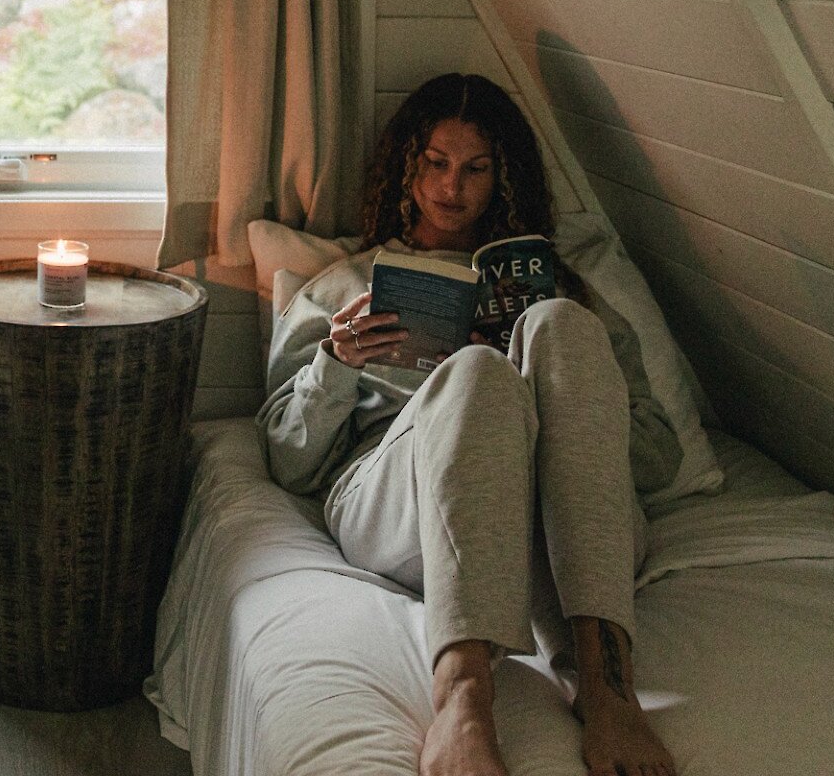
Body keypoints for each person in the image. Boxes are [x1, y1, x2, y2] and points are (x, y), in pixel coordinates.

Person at [257, 73, 679, 776]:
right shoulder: (342, 287)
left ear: (502, 177)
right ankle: (463, 699)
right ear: (406, 167)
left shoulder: (561, 289)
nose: (452, 187)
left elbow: (660, 459)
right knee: (477, 377)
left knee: (558, 326)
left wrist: (555, 401)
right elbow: (289, 463)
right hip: (403, 500)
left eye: (476, 169)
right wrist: (335, 361)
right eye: (436, 164)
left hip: (559, 519)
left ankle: (608, 689)